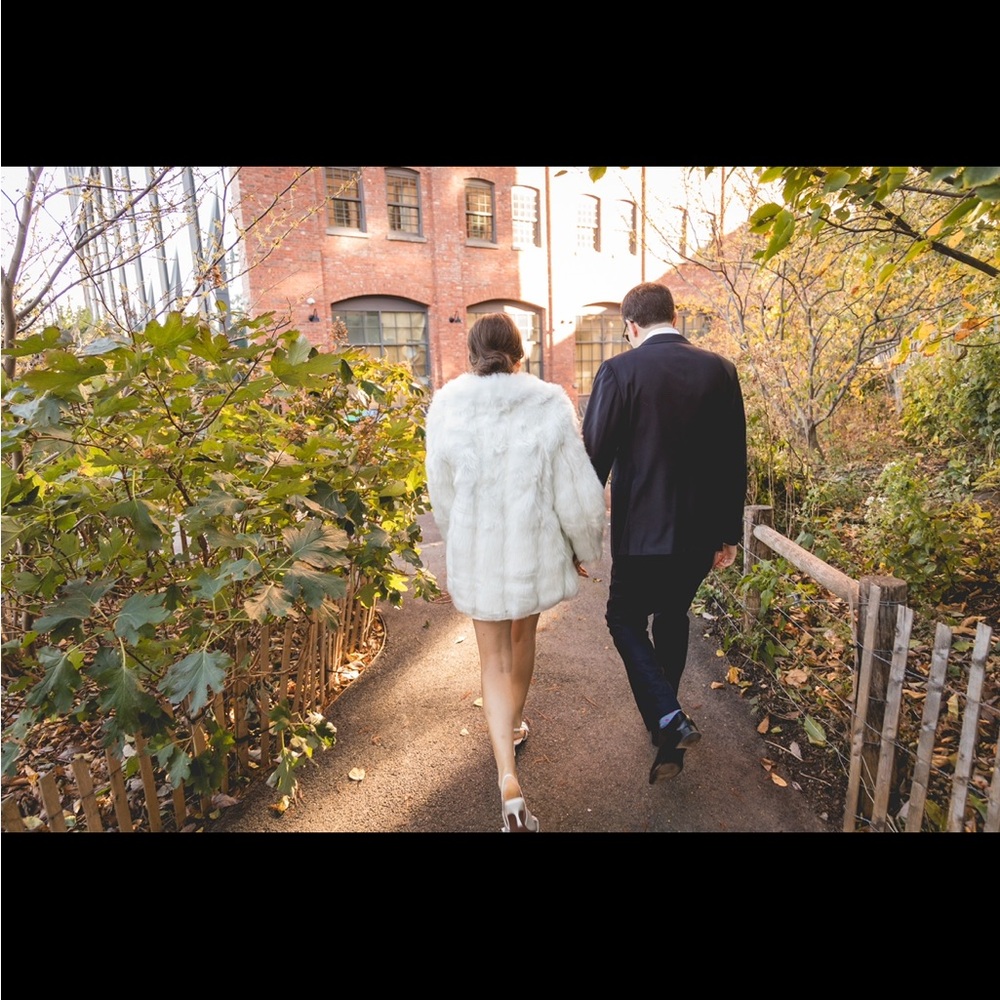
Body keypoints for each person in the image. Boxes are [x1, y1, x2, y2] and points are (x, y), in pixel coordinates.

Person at [425, 313, 605, 832]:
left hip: (479, 552)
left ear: (470, 352)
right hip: (533, 551)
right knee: (524, 637)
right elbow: (576, 490)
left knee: (491, 659)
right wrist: (583, 545)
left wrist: (455, 532)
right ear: (519, 351)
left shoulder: (447, 406)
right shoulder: (549, 401)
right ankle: (516, 722)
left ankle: (507, 775)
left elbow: (442, 492)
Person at [582, 282, 747, 784]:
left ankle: (668, 716)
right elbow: (734, 459)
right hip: (699, 536)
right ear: (673, 316)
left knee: (622, 617)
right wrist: (728, 534)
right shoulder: (720, 369)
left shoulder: (619, 370)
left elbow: (592, 461)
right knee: (673, 615)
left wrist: (576, 534)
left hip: (640, 536)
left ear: (631, 326)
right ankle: (667, 737)